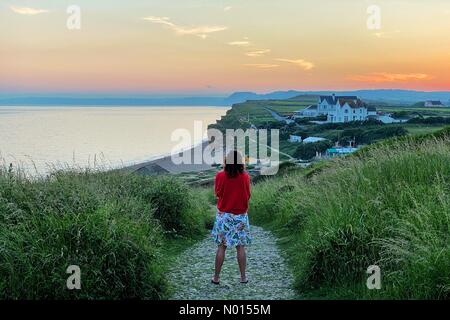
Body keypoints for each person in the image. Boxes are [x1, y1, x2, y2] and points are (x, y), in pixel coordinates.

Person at [211, 150, 251, 285]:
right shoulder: (245, 177)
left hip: (224, 216)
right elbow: (248, 195)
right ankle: (243, 277)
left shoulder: (220, 175)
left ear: (226, 161)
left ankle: (216, 278)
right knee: (240, 247)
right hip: (240, 216)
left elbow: (217, 193)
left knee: (222, 246)